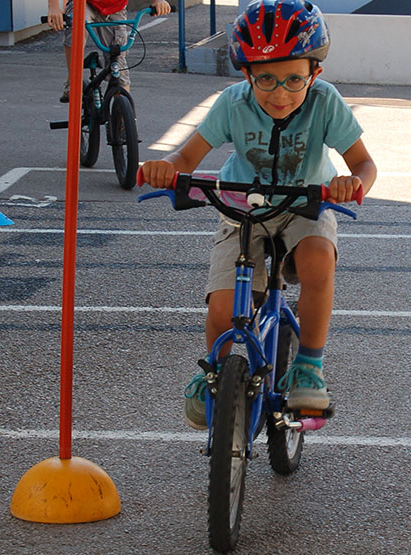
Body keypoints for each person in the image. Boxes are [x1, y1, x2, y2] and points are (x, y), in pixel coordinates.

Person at [139, 0, 377, 430]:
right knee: (224, 307)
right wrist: (165, 168)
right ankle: (214, 371)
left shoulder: (325, 102)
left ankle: (308, 365)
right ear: (246, 74)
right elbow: (186, 156)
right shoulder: (232, 103)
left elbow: (364, 164)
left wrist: (352, 183)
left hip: (305, 205)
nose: (280, 93)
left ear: (315, 74)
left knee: (318, 259)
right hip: (241, 207)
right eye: (265, 78)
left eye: (293, 79)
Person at [46, 0, 171, 103]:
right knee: (76, 29)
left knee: (118, 60)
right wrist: (54, 7)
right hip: (83, 3)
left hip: (115, 7)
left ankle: (123, 122)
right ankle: (73, 80)